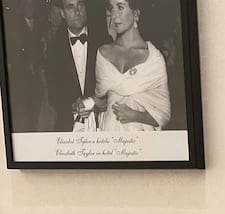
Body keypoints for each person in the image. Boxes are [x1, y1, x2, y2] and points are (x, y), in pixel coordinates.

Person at [79, 0, 171, 131]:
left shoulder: (154, 59)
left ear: (135, 14)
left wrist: (136, 115)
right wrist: (86, 104)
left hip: (141, 137)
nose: (114, 14)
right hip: (109, 132)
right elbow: (101, 100)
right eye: (111, 9)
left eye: (120, 7)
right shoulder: (102, 53)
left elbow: (164, 115)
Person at [44, 0, 102, 132]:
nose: (77, 12)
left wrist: (95, 104)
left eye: (80, 5)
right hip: (68, 125)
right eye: (70, 7)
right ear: (62, 14)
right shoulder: (53, 49)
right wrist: (72, 106)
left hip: (101, 122)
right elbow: (53, 95)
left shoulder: (103, 41)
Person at [6, 0, 47, 132]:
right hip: (22, 76)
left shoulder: (41, 24)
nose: (31, 8)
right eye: (28, 5)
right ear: (23, 7)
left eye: (33, 5)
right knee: (24, 114)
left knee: (37, 109)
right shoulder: (15, 25)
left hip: (37, 76)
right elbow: (15, 51)